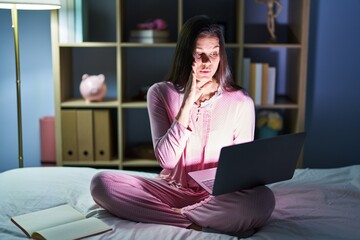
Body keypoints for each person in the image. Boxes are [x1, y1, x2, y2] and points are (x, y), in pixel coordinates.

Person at [90, 15, 275, 238]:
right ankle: (191, 220)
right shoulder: (160, 93)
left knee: (263, 199)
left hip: (218, 195)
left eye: (214, 53)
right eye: (200, 54)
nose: (208, 62)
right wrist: (187, 102)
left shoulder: (240, 101)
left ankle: (187, 215)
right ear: (186, 53)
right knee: (101, 184)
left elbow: (242, 170)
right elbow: (166, 160)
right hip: (171, 189)